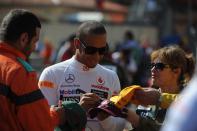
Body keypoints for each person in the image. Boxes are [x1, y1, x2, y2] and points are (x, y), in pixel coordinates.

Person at [0, 9, 86, 131]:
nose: (35, 47)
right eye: (35, 41)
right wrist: (59, 115)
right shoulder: (18, 72)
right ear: (24, 38)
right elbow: (40, 125)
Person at [38, 20, 128, 131]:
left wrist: (104, 116)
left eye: (102, 50)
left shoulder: (111, 77)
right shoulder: (51, 74)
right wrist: (78, 110)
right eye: (90, 50)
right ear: (76, 44)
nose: (96, 56)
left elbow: (118, 126)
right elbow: (42, 122)